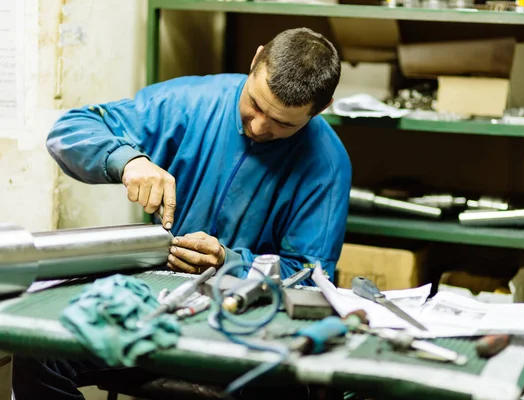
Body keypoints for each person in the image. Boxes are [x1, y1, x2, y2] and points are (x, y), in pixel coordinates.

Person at [12, 27, 351, 399]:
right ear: (255, 61)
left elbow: (309, 278)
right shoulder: (188, 102)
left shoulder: (327, 164)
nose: (257, 127)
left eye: (283, 123)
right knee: (40, 356)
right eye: (254, 104)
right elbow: (71, 130)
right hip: (155, 302)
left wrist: (231, 260)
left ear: (322, 108)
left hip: (244, 324)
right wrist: (127, 161)